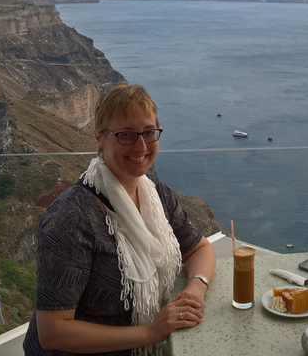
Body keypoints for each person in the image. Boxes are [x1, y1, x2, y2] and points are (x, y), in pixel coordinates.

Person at [23, 84, 216, 356]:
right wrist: (150, 332)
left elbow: (199, 248)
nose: (141, 146)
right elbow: (53, 332)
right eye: (126, 135)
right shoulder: (71, 217)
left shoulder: (152, 190)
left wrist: (196, 288)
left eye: (149, 132)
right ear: (100, 138)